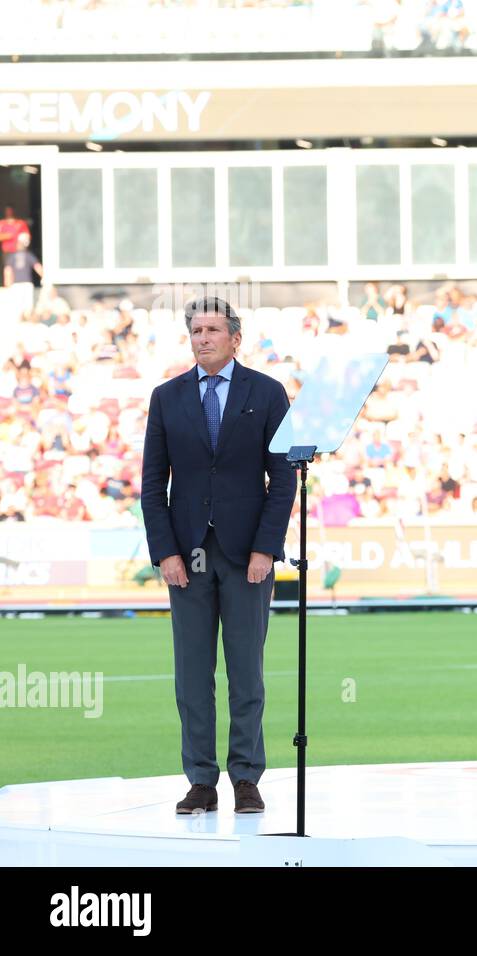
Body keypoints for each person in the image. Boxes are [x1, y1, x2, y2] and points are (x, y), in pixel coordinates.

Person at [140, 297, 295, 815]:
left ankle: (246, 777)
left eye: (212, 329)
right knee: (192, 675)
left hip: (246, 556)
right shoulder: (166, 397)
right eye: (196, 330)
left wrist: (264, 549)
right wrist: (165, 552)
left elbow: (283, 481)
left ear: (235, 337)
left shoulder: (268, 394)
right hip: (186, 557)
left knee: (246, 673)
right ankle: (201, 781)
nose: (202, 337)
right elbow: (151, 486)